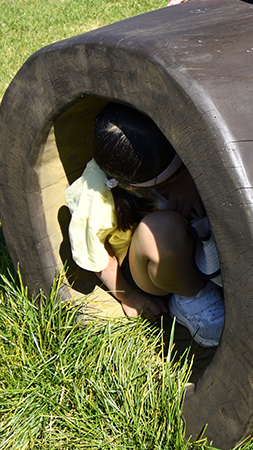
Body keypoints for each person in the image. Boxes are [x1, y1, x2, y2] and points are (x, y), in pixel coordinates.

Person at [64, 103, 225, 346]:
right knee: (160, 231)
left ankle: (210, 267)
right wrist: (128, 295)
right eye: (170, 178)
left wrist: (190, 180)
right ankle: (190, 295)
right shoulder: (95, 194)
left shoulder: (157, 146)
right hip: (148, 263)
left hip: (190, 235)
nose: (177, 177)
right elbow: (95, 254)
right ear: (130, 186)